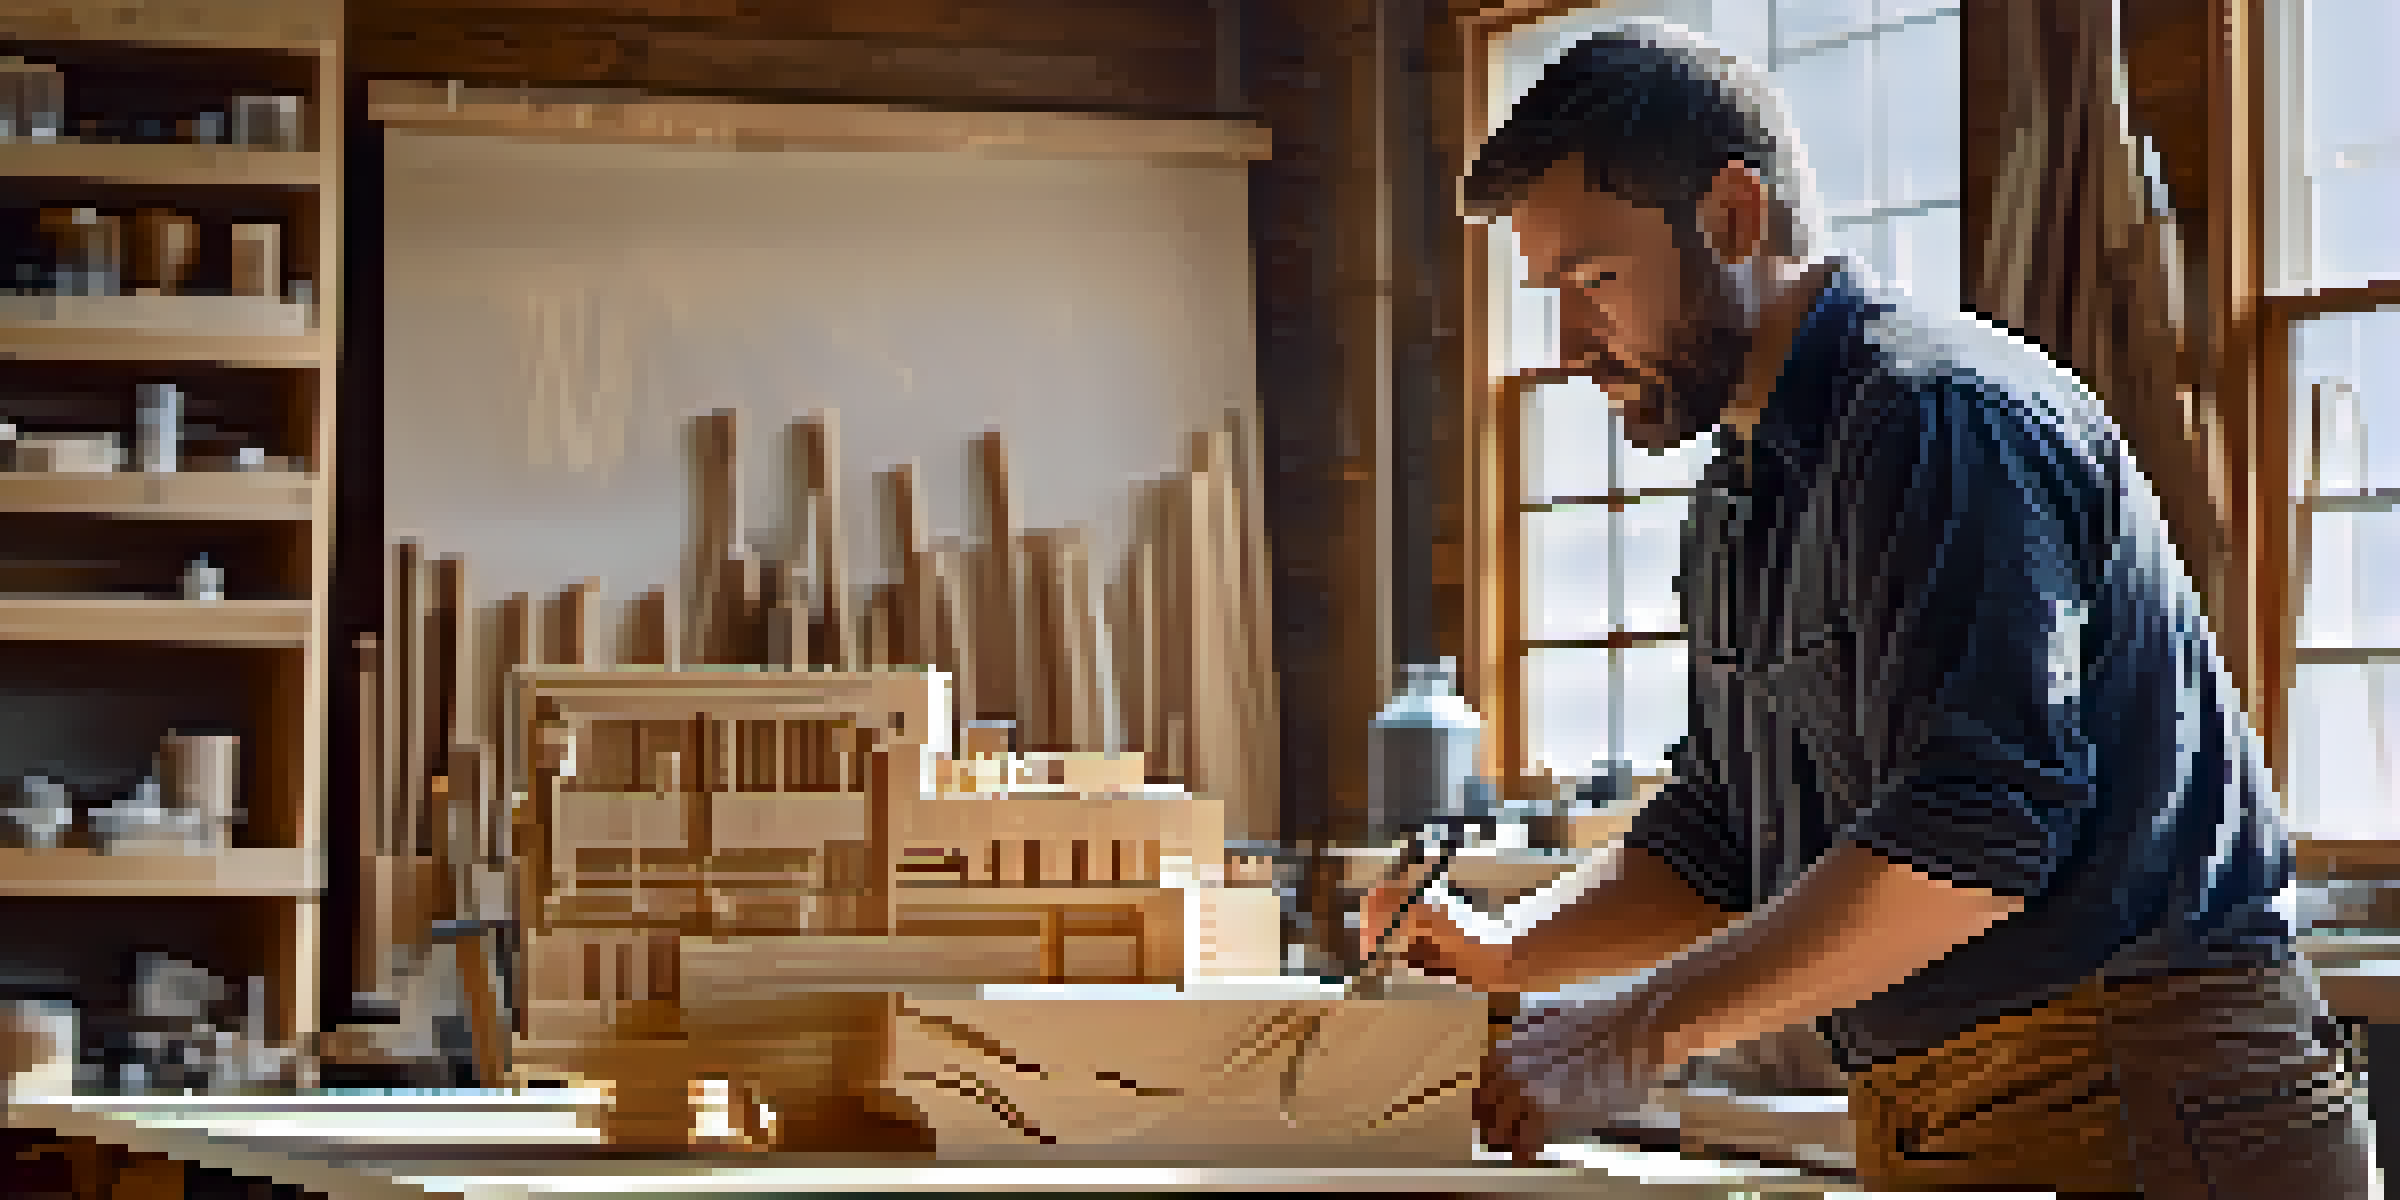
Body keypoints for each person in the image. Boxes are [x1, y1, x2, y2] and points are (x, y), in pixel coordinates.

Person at [1361, 21, 2373, 1196]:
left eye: (1596, 281)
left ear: (1735, 218)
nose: (1574, 345)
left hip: (2141, 1096)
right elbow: (1720, 837)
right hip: (1951, 1104)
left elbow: (1971, 840)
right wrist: (1509, 949)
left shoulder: (1937, 417)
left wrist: (1625, 1035)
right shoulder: (1741, 490)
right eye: (1553, 292)